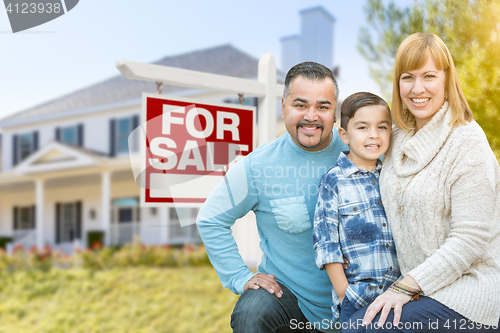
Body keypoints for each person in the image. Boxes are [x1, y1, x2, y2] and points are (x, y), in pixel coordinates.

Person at [345, 33, 500, 332]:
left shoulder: (467, 142)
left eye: (429, 76)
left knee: (360, 329)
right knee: (349, 322)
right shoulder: (397, 137)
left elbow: (469, 238)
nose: (418, 88)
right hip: (418, 289)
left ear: (446, 79)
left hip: (469, 292)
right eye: (408, 77)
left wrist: (405, 287)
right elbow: (356, 147)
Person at [196, 61, 348, 333]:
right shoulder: (258, 166)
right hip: (292, 304)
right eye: (300, 105)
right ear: (283, 107)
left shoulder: (361, 152)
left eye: (323, 107)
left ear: (335, 112)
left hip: (361, 303)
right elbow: (211, 219)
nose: (311, 116)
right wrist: (239, 276)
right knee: (252, 313)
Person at [313, 92, 400, 327]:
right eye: (363, 127)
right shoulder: (334, 181)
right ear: (344, 135)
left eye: (382, 127)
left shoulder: (393, 176)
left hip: (399, 295)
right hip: (358, 297)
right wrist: (345, 295)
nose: (374, 135)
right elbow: (326, 245)